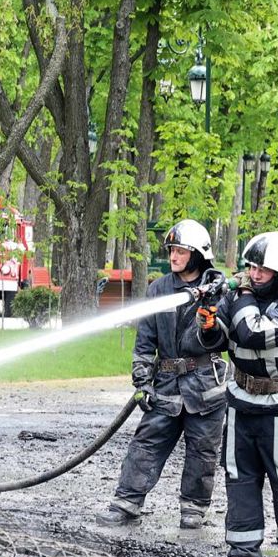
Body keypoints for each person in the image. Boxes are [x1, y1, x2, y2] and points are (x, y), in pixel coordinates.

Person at [196, 230, 278, 557]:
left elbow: (252, 332)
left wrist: (242, 294)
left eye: (261, 269)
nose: (254, 273)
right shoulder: (241, 299)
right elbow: (225, 337)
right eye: (251, 267)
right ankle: (244, 548)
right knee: (240, 476)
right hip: (240, 402)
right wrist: (209, 327)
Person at [96, 219, 227, 530]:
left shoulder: (217, 291)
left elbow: (225, 338)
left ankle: (193, 510)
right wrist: (142, 380)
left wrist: (211, 322)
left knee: (202, 451)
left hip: (204, 387)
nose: (174, 256)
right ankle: (127, 503)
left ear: (197, 254)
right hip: (166, 384)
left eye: (181, 250)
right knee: (146, 443)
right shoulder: (159, 289)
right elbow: (146, 339)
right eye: (171, 250)